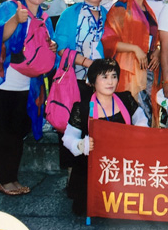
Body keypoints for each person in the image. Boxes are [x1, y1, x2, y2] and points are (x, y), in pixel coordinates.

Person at [0, 0, 61, 196]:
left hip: (27, 84)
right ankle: (5, 181)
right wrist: (16, 20)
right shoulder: (9, 8)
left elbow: (46, 47)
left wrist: (52, 46)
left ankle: (12, 178)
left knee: (17, 132)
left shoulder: (45, 18)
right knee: (1, 130)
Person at [62, 59, 148, 215]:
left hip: (124, 164)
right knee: (86, 207)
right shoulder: (82, 108)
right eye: (104, 77)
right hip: (93, 168)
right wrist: (81, 145)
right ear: (93, 81)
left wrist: (137, 134)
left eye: (114, 76)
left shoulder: (126, 99)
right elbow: (68, 138)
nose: (110, 82)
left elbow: (141, 120)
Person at [103, 0, 168, 126]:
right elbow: (108, 40)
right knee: (132, 111)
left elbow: (155, 39)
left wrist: (157, 51)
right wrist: (135, 49)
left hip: (148, 69)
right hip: (127, 69)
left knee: (147, 111)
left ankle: (146, 141)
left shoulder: (149, 10)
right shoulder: (120, 7)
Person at [55, 0, 121, 95]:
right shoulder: (69, 14)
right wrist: (89, 64)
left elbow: (112, 46)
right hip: (74, 78)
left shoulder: (108, 15)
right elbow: (61, 49)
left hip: (102, 80)